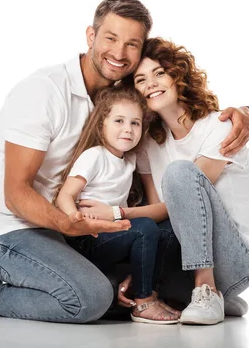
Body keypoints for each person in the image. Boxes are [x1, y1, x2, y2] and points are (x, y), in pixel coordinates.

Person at [0, 0, 249, 324]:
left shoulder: (123, 109)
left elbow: (173, 195)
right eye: (110, 38)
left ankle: (204, 291)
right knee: (92, 300)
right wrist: (70, 224)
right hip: (8, 230)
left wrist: (247, 113)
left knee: (123, 284)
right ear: (90, 36)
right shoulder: (45, 91)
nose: (119, 54)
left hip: (66, 232)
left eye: (132, 44)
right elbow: (15, 194)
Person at [116, 37, 249, 325]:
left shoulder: (220, 126)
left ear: (177, 75)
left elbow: (175, 206)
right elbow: (159, 222)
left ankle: (207, 289)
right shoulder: (147, 144)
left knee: (179, 173)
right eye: (141, 80)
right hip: (182, 261)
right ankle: (210, 296)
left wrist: (117, 215)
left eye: (159, 73)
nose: (151, 84)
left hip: (234, 260)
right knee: (115, 291)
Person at [55, 86, 180, 324]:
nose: (127, 129)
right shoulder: (95, 156)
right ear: (102, 124)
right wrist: (76, 219)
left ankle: (146, 289)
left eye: (135, 123)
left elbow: (155, 207)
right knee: (144, 228)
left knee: (166, 229)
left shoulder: (130, 160)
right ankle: (143, 303)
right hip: (88, 238)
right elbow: (65, 195)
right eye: (119, 121)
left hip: (115, 234)